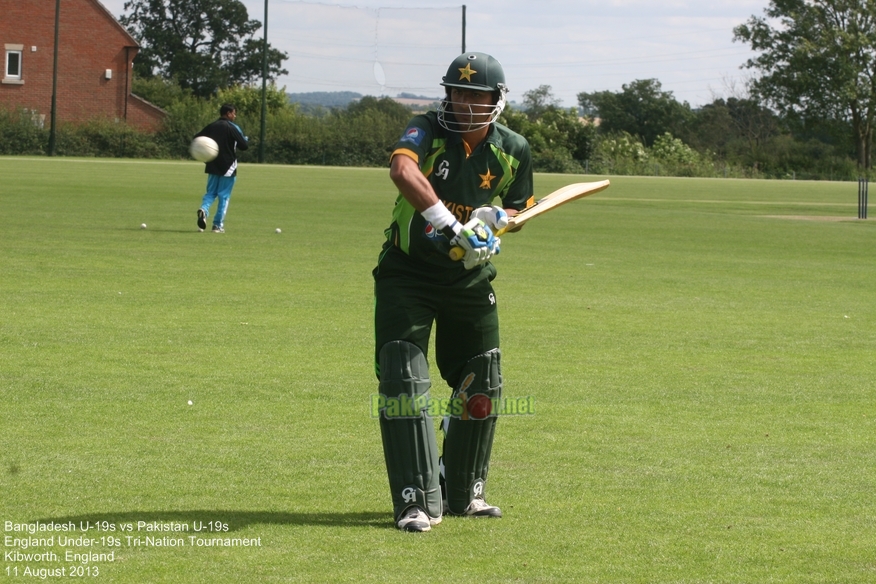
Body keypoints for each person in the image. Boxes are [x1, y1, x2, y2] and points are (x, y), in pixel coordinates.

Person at [372, 52, 534, 532]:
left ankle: (464, 491)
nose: (461, 102)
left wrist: (495, 224)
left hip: (469, 280)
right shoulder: (427, 128)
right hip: (409, 273)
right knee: (404, 378)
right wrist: (449, 225)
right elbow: (403, 172)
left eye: (473, 94)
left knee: (484, 377)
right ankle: (414, 500)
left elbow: (519, 212)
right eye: (455, 92)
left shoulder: (514, 149)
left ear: (496, 101)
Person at [195, 104, 248, 233]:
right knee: (223, 195)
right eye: (234, 113)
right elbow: (244, 145)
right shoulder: (232, 127)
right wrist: (244, 139)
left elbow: (197, 139)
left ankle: (204, 210)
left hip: (212, 164)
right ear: (228, 113)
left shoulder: (211, 126)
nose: (235, 116)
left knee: (210, 193)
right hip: (228, 166)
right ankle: (217, 225)